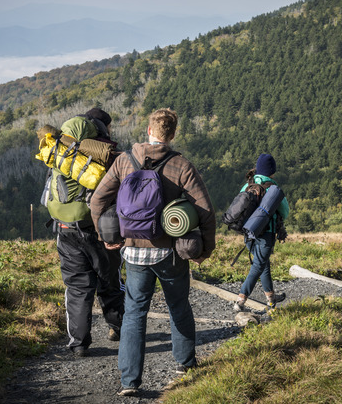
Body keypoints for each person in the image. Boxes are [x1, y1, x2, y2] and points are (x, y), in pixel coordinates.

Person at [89, 108, 216, 397]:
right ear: (172, 134)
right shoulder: (180, 165)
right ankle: (186, 366)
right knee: (178, 306)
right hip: (169, 253)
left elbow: (97, 201)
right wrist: (204, 250)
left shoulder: (124, 161)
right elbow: (206, 211)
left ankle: (129, 382)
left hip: (133, 252)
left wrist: (105, 235)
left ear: (148, 130)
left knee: (134, 313)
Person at [49, 108, 124, 357]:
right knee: (110, 279)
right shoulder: (102, 153)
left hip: (64, 228)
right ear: (100, 128)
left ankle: (79, 343)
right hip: (97, 228)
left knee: (77, 287)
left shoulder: (60, 150)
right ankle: (119, 327)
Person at [233, 154, 290, 312]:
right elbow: (285, 212)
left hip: (248, 233)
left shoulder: (247, 186)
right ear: (272, 171)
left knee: (263, 264)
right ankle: (240, 301)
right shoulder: (273, 189)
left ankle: (271, 300)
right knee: (258, 265)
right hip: (266, 235)